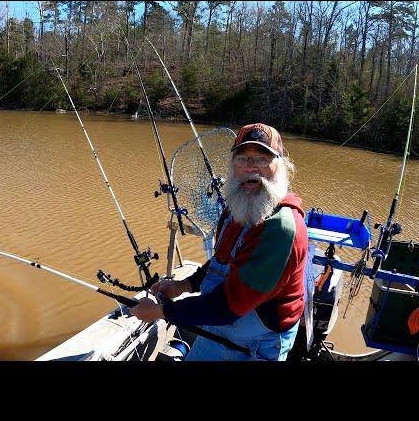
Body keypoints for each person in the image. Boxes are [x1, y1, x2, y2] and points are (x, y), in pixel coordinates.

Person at [130, 123, 308, 361]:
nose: (251, 168)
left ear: (281, 166)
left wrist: (161, 311)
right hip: (221, 323)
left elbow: (228, 307)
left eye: (263, 159)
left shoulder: (280, 229)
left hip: (257, 341)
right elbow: (221, 262)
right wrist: (184, 285)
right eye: (242, 158)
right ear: (232, 165)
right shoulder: (238, 205)